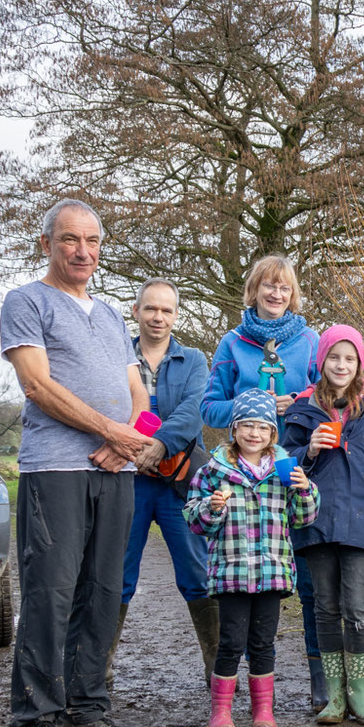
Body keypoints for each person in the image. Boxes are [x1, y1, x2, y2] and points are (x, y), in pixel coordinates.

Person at [0, 199, 151, 727]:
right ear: (46, 244)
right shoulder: (27, 301)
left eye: (91, 240)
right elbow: (37, 385)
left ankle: (88, 708)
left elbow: (139, 392)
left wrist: (127, 439)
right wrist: (110, 430)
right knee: (51, 592)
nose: (81, 251)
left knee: (103, 591)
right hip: (55, 470)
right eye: (68, 240)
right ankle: (35, 717)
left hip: (115, 471)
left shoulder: (111, 315)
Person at [201, 256, 327, 706]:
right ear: (253, 290)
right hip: (249, 465)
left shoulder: (311, 341)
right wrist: (254, 406)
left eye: (285, 288)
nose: (276, 294)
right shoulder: (233, 343)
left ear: (293, 295)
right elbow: (209, 408)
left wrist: (297, 406)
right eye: (268, 287)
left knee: (308, 574)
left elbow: (327, 391)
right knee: (250, 568)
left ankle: (320, 681)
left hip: (303, 461)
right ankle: (228, 679)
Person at [281, 325, 364, 727]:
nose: (341, 365)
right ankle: (334, 695)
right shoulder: (301, 408)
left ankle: (361, 692)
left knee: (356, 606)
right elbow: (282, 464)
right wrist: (309, 450)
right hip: (313, 519)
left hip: (362, 520)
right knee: (324, 607)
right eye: (334, 357)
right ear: (321, 361)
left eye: (349, 358)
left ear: (360, 363)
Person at [187, 390, 320, 727]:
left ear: (273, 433)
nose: (254, 434)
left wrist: (305, 489)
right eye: (246, 425)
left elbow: (303, 519)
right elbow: (194, 520)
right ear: (233, 429)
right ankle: (221, 713)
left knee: (263, 642)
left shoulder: (285, 468)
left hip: (271, 572)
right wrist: (212, 508)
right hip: (231, 572)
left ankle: (263, 712)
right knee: (230, 641)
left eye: (262, 427)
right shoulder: (214, 471)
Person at [115, 280, 216, 677]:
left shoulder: (193, 360)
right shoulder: (117, 355)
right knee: (118, 571)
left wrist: (158, 445)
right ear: (136, 309)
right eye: (151, 309)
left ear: (176, 315)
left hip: (179, 482)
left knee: (196, 570)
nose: (158, 317)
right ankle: (97, 674)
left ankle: (217, 668)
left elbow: (194, 411)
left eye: (167, 310)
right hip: (128, 478)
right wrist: (132, 451)